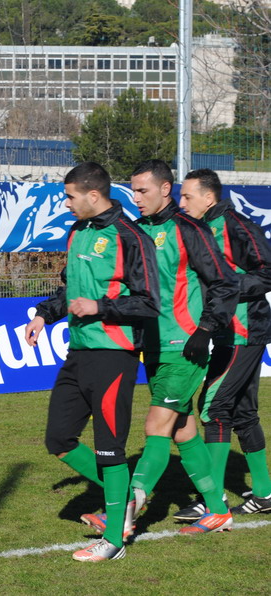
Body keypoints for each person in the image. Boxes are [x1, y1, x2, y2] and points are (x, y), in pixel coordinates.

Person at [24, 162, 160, 562]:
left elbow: (150, 302)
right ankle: (126, 500)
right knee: (59, 439)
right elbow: (71, 289)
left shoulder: (130, 237)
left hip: (114, 356)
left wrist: (100, 306)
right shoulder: (77, 232)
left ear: (93, 195)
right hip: (78, 351)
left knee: (109, 450)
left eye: (69, 197)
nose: (65, 204)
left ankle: (114, 539)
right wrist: (43, 315)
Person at [110, 159, 239, 535]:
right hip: (151, 347)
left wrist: (206, 328)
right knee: (182, 430)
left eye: (142, 190)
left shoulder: (190, 231)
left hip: (185, 347)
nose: (135, 198)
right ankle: (218, 510)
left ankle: (126, 509)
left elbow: (225, 283)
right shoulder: (134, 232)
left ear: (166, 189)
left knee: (156, 425)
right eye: (132, 191)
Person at [173, 168, 271, 518]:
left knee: (213, 409)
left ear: (209, 197)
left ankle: (211, 499)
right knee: (243, 414)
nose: (181, 203)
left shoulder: (236, 224)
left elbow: (267, 271)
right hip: (227, 332)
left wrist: (227, 288)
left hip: (244, 332)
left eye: (187, 196)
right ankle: (264, 493)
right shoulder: (194, 228)